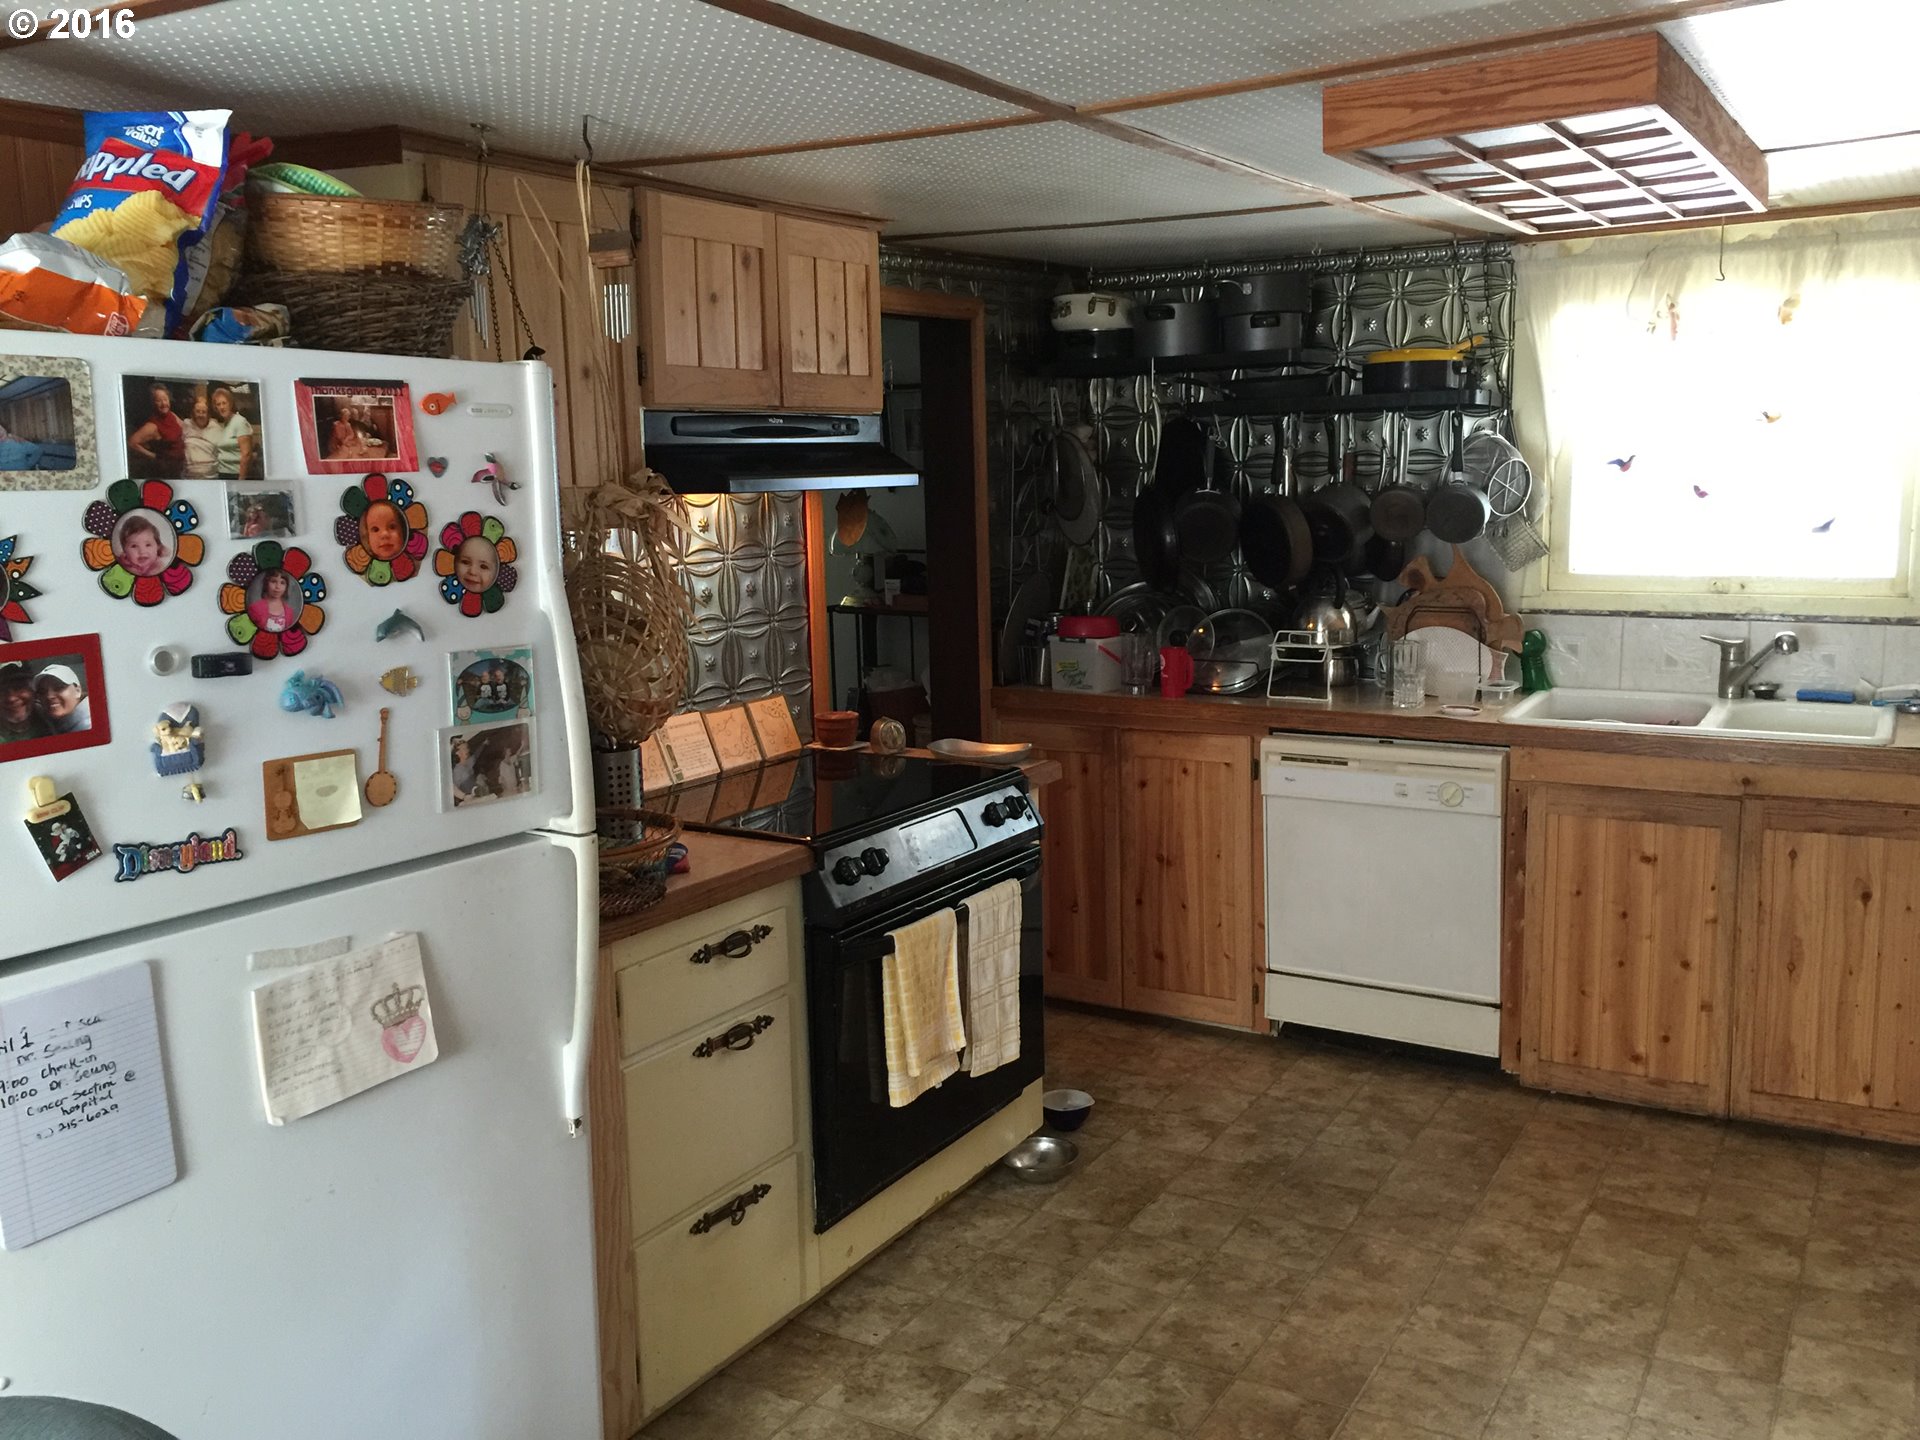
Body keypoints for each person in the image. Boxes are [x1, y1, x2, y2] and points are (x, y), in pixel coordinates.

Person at [127, 382, 185, 479]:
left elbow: (186, 428)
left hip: (181, 468)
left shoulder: (172, 415)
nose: (164, 404)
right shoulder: (152, 425)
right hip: (167, 472)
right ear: (153, 402)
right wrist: (153, 456)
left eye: (165, 399)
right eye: (159, 401)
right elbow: (132, 443)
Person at [208, 385, 256, 478]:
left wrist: (241, 479)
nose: (222, 407)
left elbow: (246, 454)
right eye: (218, 404)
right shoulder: (225, 424)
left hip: (235, 474)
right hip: (222, 472)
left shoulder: (240, 421)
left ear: (230, 404)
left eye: (224, 403)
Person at [0, 661, 49, 744]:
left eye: (18, 688)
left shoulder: (53, 720)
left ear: (34, 691)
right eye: (1, 691)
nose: (11, 698)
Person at [33, 663, 89, 734]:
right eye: (42, 691)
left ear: (77, 691)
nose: (49, 696)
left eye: (59, 688)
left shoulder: (86, 726)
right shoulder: (64, 723)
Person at [180, 392, 218, 479]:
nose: (200, 415)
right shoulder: (186, 424)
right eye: (197, 411)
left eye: (204, 412)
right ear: (193, 412)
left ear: (208, 414)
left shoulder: (216, 427)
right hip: (189, 477)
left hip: (211, 477)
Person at [449, 735, 476, 804]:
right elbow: (451, 787)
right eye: (463, 749)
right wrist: (464, 796)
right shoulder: (457, 770)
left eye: (467, 748)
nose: (467, 751)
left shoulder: (469, 763)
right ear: (457, 752)